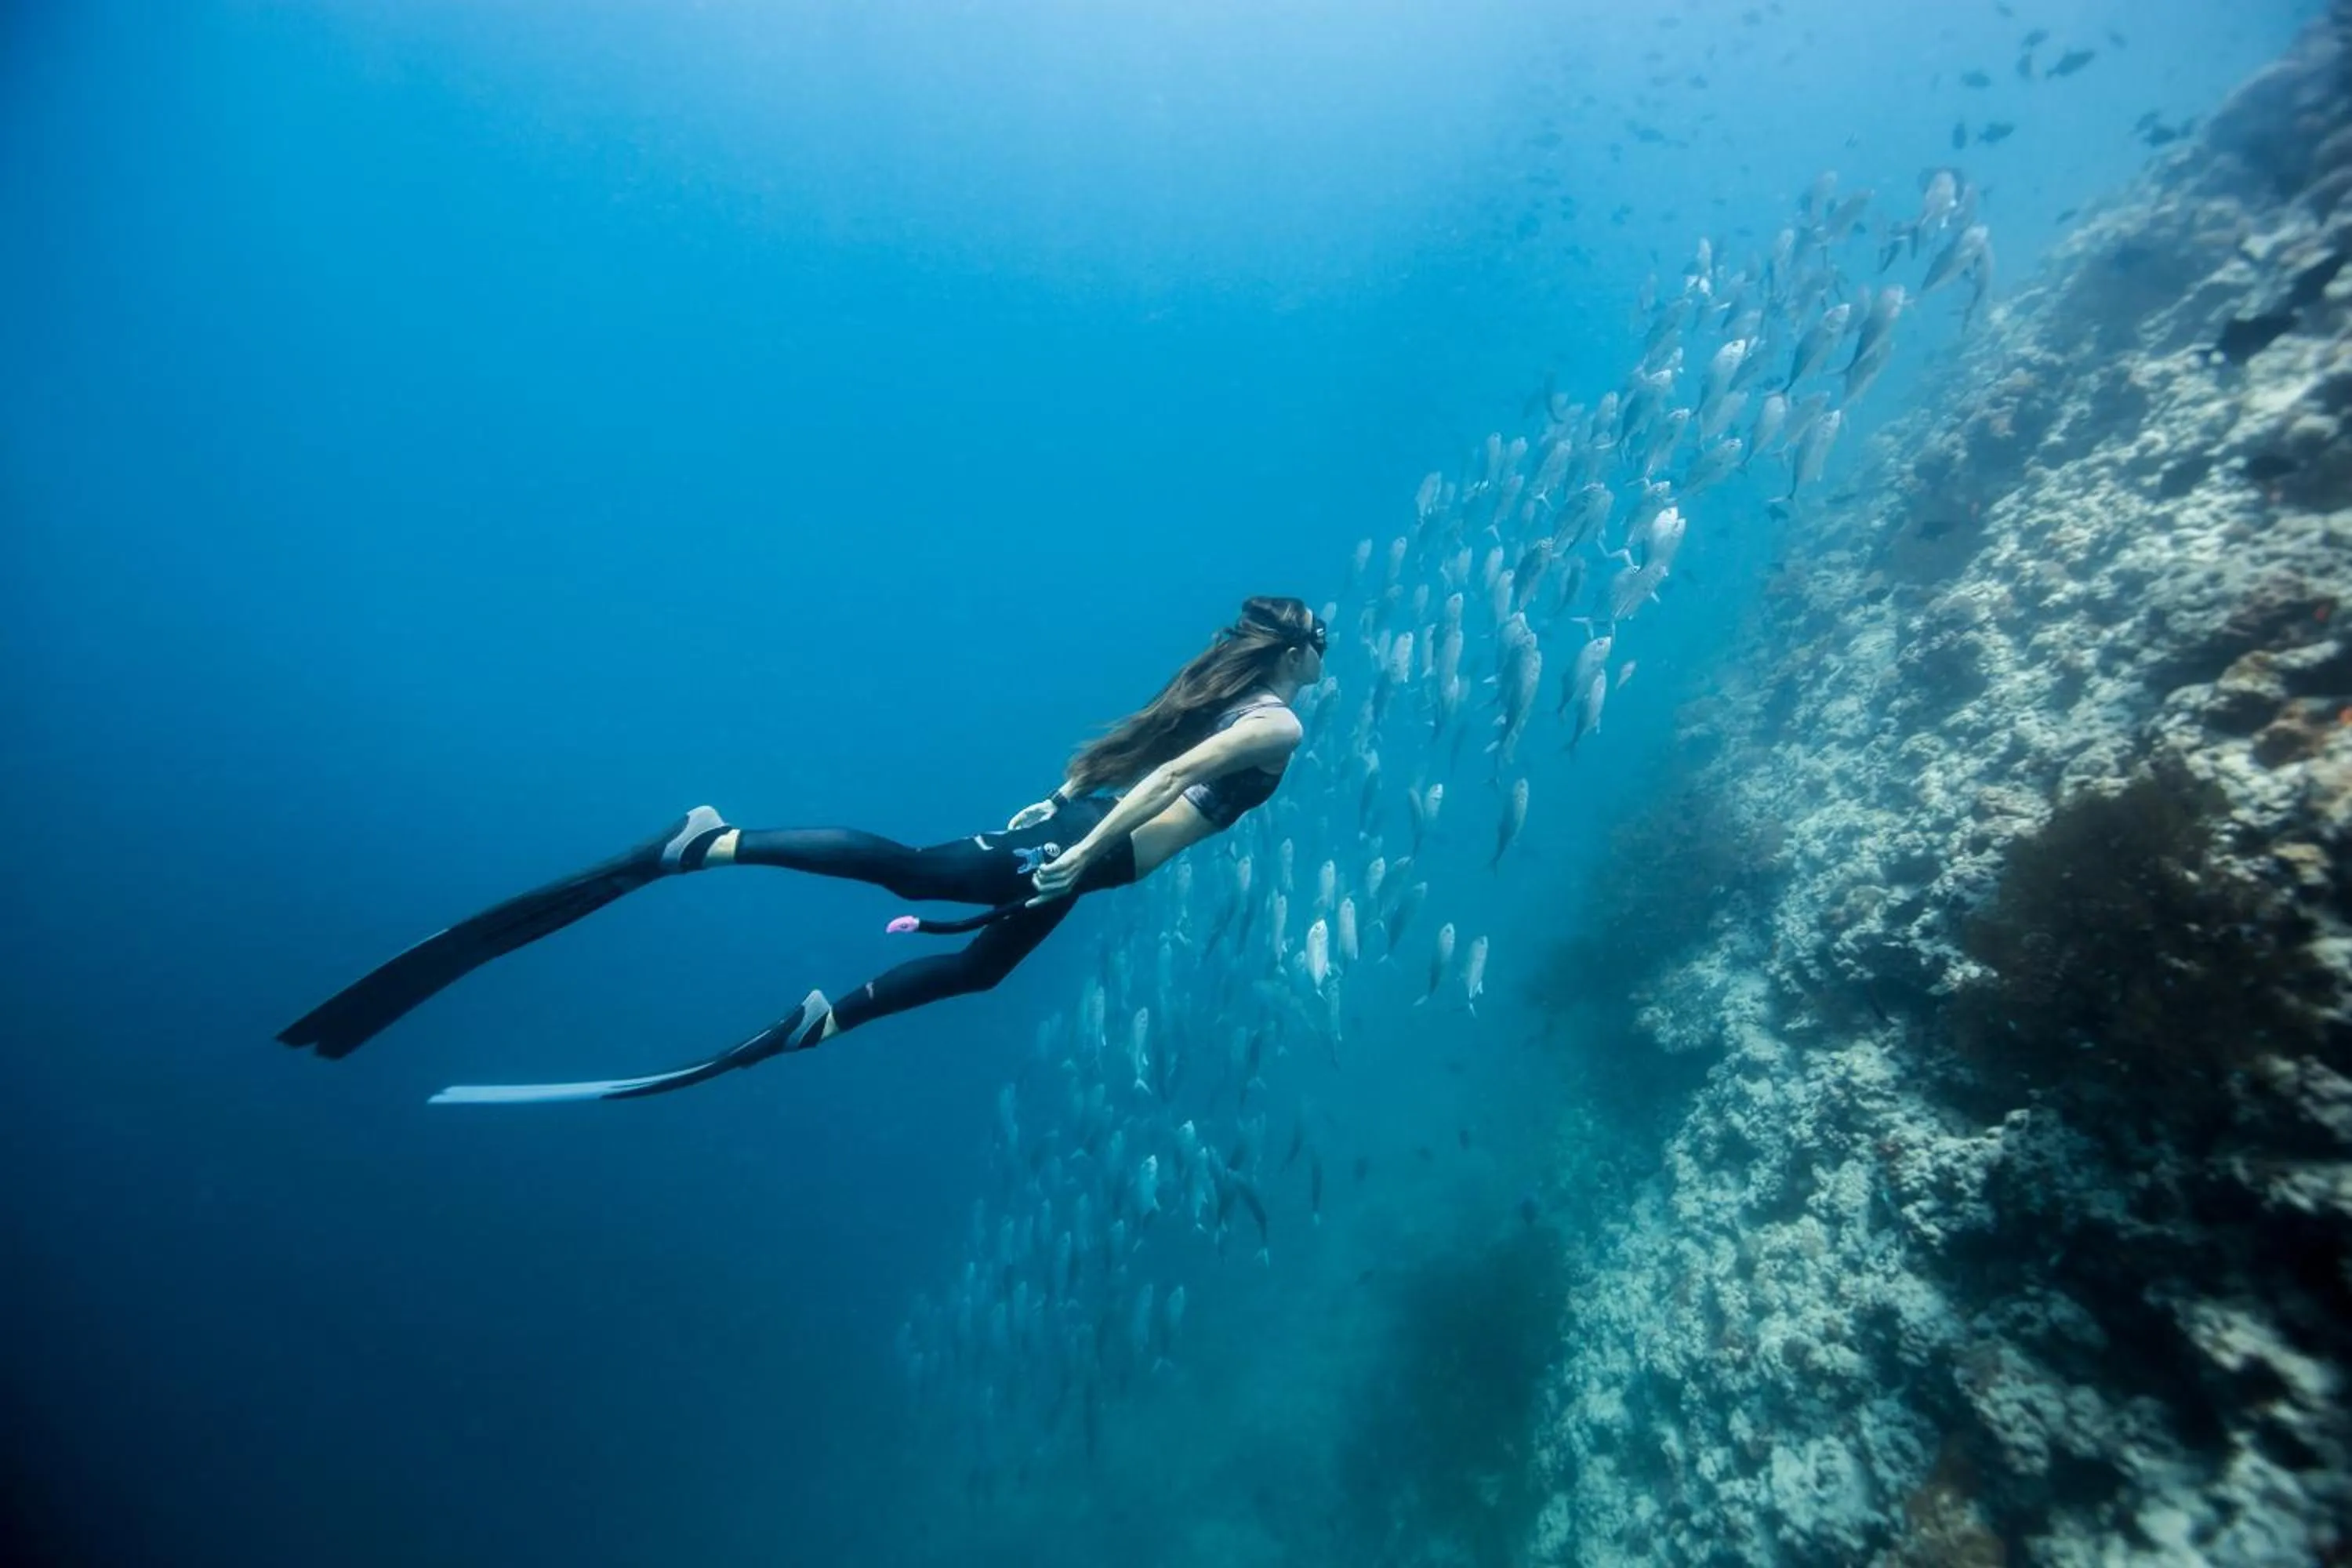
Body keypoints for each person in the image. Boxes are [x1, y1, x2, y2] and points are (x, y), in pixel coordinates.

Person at [278, 596, 1327, 1103]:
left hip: (1081, 849)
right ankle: (709, 844)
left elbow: (1133, 741)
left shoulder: (1230, 692)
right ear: (1297, 654)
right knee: (911, 870)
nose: (1329, 662)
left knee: (980, 970)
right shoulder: (1278, 722)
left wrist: (1051, 811)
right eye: (1322, 648)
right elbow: (1156, 781)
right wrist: (1077, 841)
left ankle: (824, 1019)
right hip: (1092, 852)